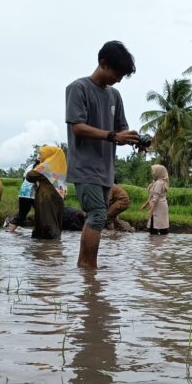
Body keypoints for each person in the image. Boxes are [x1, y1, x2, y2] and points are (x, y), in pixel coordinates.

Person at [66, 40, 140, 268]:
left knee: (97, 215)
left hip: (106, 169)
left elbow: (120, 130)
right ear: (103, 63)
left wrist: (134, 139)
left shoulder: (115, 96)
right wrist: (112, 136)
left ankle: (87, 269)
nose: (119, 79)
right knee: (98, 214)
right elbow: (77, 127)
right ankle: (88, 271)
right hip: (85, 167)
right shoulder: (78, 88)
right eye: (117, 73)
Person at [26, 145, 67, 239]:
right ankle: (55, 248)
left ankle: (48, 249)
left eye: (41, 154)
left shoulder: (46, 166)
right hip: (57, 199)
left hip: (46, 199)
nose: (39, 156)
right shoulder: (59, 168)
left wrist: (39, 165)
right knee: (55, 222)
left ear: (48, 154)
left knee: (47, 224)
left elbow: (29, 176)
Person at [8, 160, 39, 232]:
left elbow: (24, 177)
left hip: (24, 192)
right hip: (33, 193)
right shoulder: (43, 167)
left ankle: (10, 232)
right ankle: (40, 234)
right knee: (41, 214)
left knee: (21, 215)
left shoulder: (30, 166)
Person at [140, 164, 169, 235]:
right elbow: (152, 196)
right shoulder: (160, 182)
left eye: (153, 171)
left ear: (158, 172)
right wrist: (145, 204)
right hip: (160, 206)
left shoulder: (159, 183)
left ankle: (154, 244)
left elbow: (155, 198)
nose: (152, 173)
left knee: (153, 228)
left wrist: (151, 210)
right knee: (162, 226)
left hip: (158, 207)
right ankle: (162, 243)